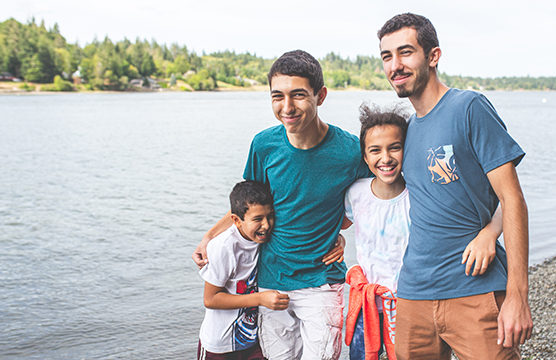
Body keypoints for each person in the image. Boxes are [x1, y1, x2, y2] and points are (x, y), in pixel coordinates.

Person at [192, 50, 370, 359]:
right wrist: (209, 237)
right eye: (277, 96)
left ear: (321, 95)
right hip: (271, 283)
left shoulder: (351, 150)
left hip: (322, 282)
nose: (286, 107)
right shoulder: (264, 145)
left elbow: (371, 200)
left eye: (298, 95)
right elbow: (247, 208)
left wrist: (338, 231)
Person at [376, 13, 533, 360]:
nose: (395, 65)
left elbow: (513, 199)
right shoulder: (407, 131)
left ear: (433, 56)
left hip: (473, 289)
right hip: (413, 293)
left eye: (405, 52)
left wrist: (518, 295)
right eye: (387, 56)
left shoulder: (469, 107)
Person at [339, 104, 502, 360]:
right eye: (375, 151)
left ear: (409, 149)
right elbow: (343, 221)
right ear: (365, 156)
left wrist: (489, 233)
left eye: (395, 147)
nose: (386, 158)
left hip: (411, 300)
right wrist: (336, 239)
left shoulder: (421, 193)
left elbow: (501, 201)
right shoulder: (355, 193)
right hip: (369, 301)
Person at [197, 180, 289, 360]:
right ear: (236, 221)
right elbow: (210, 299)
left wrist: (339, 241)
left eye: (270, 216)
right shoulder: (224, 247)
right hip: (219, 344)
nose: (266, 225)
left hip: (253, 340)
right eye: (257, 219)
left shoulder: (264, 238)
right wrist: (260, 299)